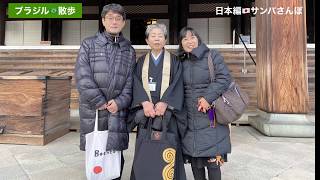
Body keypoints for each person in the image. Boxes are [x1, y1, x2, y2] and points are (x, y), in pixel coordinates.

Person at [75, 3, 135, 180]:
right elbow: (82, 76)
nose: (114, 22)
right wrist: (99, 101)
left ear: (123, 22)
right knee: (97, 156)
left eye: (118, 18)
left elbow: (131, 82)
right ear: (103, 21)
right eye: (110, 18)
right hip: (94, 111)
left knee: (116, 159)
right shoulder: (89, 44)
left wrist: (120, 102)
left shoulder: (129, 50)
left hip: (117, 112)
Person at [128, 23, 186, 180]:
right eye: (153, 36)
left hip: (168, 114)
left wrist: (165, 102)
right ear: (147, 40)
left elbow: (178, 83)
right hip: (147, 112)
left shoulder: (174, 61)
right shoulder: (140, 62)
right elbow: (135, 83)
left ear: (165, 40)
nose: (157, 39)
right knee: (144, 146)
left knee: (169, 146)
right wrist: (144, 102)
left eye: (160, 36)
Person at [178, 27, 232, 180]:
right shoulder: (180, 61)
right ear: (181, 43)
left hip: (211, 115)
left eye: (192, 37)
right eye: (185, 39)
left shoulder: (212, 55)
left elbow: (224, 78)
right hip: (190, 117)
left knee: (213, 161)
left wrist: (207, 97)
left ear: (198, 39)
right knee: (196, 161)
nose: (189, 41)